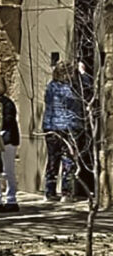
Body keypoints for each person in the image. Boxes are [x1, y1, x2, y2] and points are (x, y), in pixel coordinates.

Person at [42, 61, 81, 202]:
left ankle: (49, 191)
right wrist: (83, 75)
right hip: (68, 126)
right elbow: (78, 97)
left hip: (50, 126)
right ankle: (66, 192)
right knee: (68, 159)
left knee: (53, 158)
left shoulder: (51, 86)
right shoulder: (69, 88)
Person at [0, 75, 20, 212]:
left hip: (7, 140)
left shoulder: (7, 103)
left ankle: (11, 199)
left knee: (8, 171)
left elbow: (8, 119)